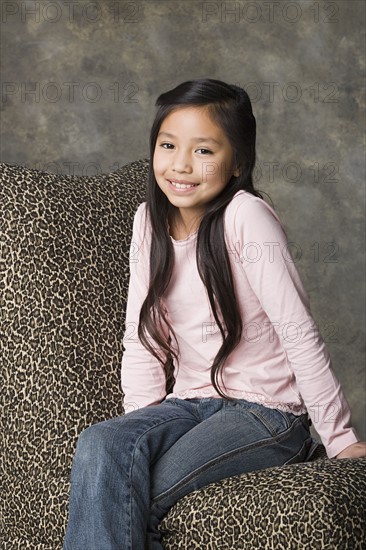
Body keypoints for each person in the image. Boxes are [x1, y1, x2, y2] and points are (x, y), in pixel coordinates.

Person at [63, 78, 366, 550]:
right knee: (103, 445)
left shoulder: (246, 216)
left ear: (238, 162)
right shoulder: (149, 220)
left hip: (265, 411)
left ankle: (298, 450)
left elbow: (298, 331)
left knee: (138, 492)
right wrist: (138, 430)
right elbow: (142, 337)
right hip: (187, 405)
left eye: (204, 151)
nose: (181, 165)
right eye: (168, 145)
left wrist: (340, 436)